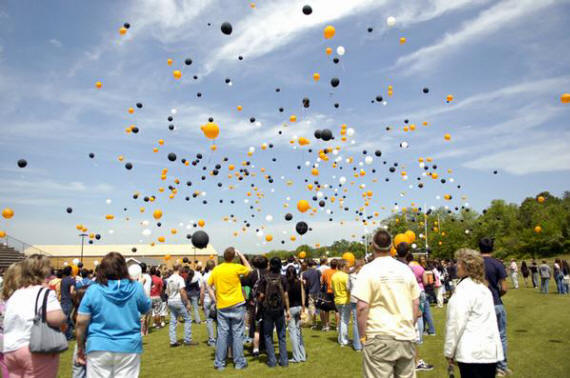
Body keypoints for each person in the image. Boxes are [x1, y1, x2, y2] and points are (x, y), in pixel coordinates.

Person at [353, 230, 421, 378]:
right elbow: (415, 303)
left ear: (372, 246)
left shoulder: (367, 270)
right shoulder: (405, 269)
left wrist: (363, 337)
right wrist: (409, 324)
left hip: (379, 336)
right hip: (405, 335)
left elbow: (362, 307)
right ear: (391, 246)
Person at [75, 252, 150, 377]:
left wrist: (80, 346)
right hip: (127, 347)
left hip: (99, 346)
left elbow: (81, 321)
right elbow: (146, 308)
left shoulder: (93, 290)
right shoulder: (136, 287)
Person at [4, 255, 67, 378]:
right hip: (34, 347)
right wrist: (63, 317)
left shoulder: (16, 293)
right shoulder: (44, 292)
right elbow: (55, 318)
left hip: (10, 349)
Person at [444, 249, 504, 378]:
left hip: (471, 354)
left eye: (458, 263)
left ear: (466, 266)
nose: (456, 266)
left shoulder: (463, 290)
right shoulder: (484, 289)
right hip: (489, 353)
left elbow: (455, 323)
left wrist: (449, 351)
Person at [206, 247, 251, 370]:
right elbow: (249, 269)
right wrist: (241, 255)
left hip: (222, 305)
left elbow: (208, 285)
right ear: (233, 257)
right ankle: (239, 362)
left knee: (222, 334)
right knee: (237, 334)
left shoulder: (216, 269)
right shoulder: (236, 267)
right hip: (237, 304)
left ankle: (220, 363)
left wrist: (214, 299)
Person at [398, 243, 434, 372]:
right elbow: (412, 289)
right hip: (406, 304)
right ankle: (416, 361)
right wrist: (416, 307)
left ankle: (410, 360)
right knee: (410, 334)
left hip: (397, 305)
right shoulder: (406, 268)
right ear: (408, 254)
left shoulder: (396, 266)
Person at [479, 238, 511, 376]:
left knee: (482, 336)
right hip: (496, 303)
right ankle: (501, 367)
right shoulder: (497, 264)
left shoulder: (476, 265)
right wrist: (497, 294)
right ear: (493, 247)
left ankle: (485, 364)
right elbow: (504, 287)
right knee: (501, 336)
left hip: (480, 306)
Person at [257, 257, 289, 368]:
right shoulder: (283, 278)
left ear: (270, 265)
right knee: (282, 335)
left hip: (267, 310)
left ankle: (272, 361)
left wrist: (259, 305)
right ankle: (284, 361)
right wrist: (287, 309)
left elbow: (261, 295)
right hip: (280, 309)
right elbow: (285, 295)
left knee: (267, 335)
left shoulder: (264, 278)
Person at [165, 263, 197, 347]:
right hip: (178, 301)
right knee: (188, 318)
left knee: (173, 320)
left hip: (171, 300)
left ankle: (173, 341)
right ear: (179, 269)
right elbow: (182, 291)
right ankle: (187, 339)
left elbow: (167, 292)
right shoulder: (180, 278)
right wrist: (187, 303)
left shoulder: (169, 279)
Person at [243, 255, 268, 355]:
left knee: (255, 327)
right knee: (266, 325)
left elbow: (244, 282)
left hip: (255, 303)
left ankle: (256, 348)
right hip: (268, 303)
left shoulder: (253, 274)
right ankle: (265, 346)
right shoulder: (269, 272)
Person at [1, 263, 23, 378]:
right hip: (22, 340)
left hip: (4, 339)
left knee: (6, 368)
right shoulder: (27, 297)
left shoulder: (3, 299)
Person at [407, 254, 436, 336]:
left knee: (418, 314)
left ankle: (420, 333)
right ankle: (431, 330)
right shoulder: (421, 268)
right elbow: (426, 282)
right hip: (422, 290)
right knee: (426, 311)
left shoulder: (408, 268)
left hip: (414, 291)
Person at [285, 265, 306, 363]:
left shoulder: (286, 283)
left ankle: (296, 357)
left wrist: (288, 310)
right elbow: (303, 295)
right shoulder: (299, 282)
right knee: (298, 333)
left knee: (293, 333)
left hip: (291, 308)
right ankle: (302, 355)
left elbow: (286, 298)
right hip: (299, 307)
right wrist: (303, 307)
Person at [332, 259, 351, 347]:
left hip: (337, 300)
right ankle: (344, 340)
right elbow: (349, 288)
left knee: (341, 320)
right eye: (346, 266)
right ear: (342, 266)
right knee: (344, 321)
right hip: (345, 300)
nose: (348, 268)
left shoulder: (334, 276)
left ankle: (341, 339)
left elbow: (332, 288)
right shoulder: (345, 276)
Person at [71, 287, 88, 378]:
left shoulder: (75, 312)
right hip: (88, 344)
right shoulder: (86, 314)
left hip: (79, 345)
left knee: (78, 373)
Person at [200, 260, 217, 347]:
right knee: (219, 321)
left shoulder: (204, 277)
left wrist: (201, 303)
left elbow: (202, 292)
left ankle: (211, 339)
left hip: (207, 300)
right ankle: (219, 338)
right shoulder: (217, 275)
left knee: (209, 320)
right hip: (216, 300)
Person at [348, 259, 364, 352]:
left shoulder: (350, 276)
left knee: (355, 322)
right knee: (364, 322)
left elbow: (348, 287)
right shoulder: (365, 275)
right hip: (363, 299)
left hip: (354, 299)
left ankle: (357, 345)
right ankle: (363, 344)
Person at [301, 259, 321, 328]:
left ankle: (314, 322)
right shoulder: (318, 272)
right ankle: (316, 320)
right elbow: (320, 281)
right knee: (317, 306)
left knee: (311, 307)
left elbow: (305, 284)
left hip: (310, 291)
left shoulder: (305, 273)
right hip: (318, 291)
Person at [321, 259, 338, 332]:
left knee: (326, 310)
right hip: (336, 292)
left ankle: (327, 326)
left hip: (328, 292)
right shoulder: (338, 272)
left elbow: (322, 281)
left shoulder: (326, 271)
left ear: (330, 264)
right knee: (337, 310)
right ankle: (337, 326)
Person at [61, 265, 76, 340]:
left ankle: (69, 333)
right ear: (70, 271)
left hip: (63, 300)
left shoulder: (63, 280)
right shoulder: (72, 280)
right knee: (67, 318)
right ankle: (68, 335)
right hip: (69, 301)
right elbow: (71, 291)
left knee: (67, 318)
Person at [140, 263, 152, 336]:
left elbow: (141, 284)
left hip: (142, 296)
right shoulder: (149, 276)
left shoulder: (142, 276)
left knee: (142, 316)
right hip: (148, 296)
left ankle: (142, 331)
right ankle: (146, 330)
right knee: (147, 315)